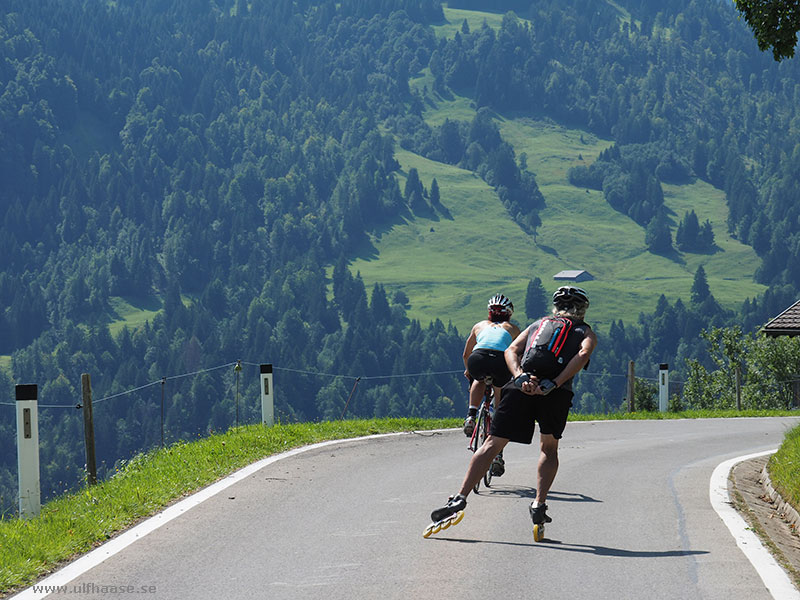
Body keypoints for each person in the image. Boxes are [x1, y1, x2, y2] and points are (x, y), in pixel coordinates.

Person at [430, 286, 597, 530]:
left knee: (491, 444)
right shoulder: (585, 331)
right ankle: (539, 504)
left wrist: (520, 376)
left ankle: (460, 497)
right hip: (555, 393)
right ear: (582, 309)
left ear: (556, 307)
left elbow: (511, 350)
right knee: (548, 449)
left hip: (520, 387)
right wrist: (554, 382)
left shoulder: (537, 325)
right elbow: (582, 355)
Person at [461, 294, 521, 476]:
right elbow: (519, 355)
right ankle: (497, 453)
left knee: (478, 379)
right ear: (509, 314)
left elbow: (466, 354)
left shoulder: (479, 326)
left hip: (477, 359)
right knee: (500, 397)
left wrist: (469, 371)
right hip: (500, 362)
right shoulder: (513, 329)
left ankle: (471, 415)